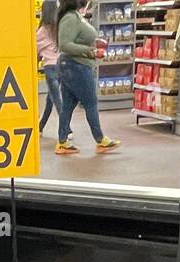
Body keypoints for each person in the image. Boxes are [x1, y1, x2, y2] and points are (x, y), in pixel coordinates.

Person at [55, 0, 119, 155]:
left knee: (68, 105)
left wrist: (95, 42)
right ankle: (100, 140)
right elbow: (64, 44)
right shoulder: (70, 18)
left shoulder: (75, 16)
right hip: (75, 66)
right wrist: (91, 51)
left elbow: (77, 38)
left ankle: (62, 142)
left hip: (73, 66)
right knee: (90, 102)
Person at [37, 0, 62, 132]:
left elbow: (35, 51)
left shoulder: (42, 31)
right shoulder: (59, 28)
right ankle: (40, 126)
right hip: (62, 66)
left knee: (57, 100)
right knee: (51, 98)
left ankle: (67, 129)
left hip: (50, 68)